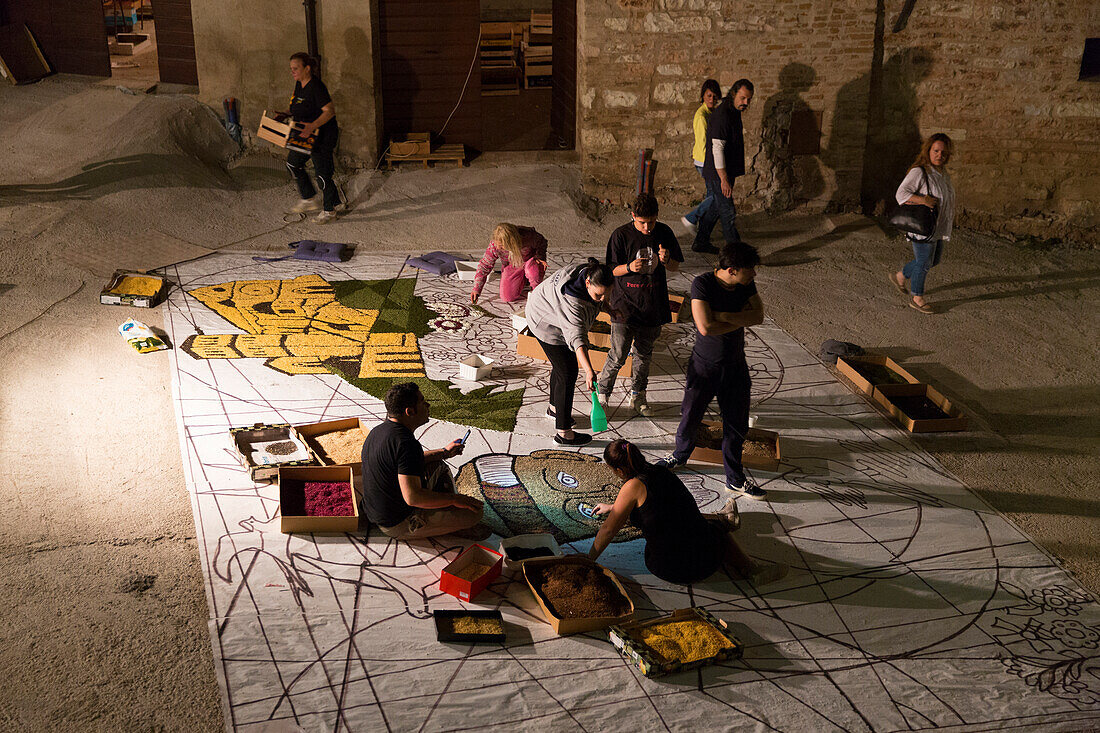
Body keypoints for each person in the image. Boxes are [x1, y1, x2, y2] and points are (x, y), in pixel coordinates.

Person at [588, 439, 787, 585]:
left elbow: (608, 530)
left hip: (671, 567)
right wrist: (614, 507)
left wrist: (588, 560)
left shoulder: (631, 487)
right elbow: (660, 506)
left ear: (619, 470)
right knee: (706, 526)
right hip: (707, 557)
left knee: (691, 529)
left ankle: (733, 541)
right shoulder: (661, 471)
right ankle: (749, 567)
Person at [658, 242, 767, 500]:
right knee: (691, 416)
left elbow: (759, 316)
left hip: (735, 366)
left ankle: (735, 479)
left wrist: (724, 316)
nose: (754, 275)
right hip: (704, 366)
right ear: (731, 269)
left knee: (736, 424)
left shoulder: (744, 284)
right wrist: (738, 317)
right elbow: (705, 327)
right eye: (749, 270)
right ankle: (679, 456)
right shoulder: (703, 284)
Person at [360, 382, 485, 539]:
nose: (428, 405)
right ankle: (431, 526)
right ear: (410, 411)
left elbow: (406, 462)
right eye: (422, 401)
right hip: (396, 523)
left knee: (438, 465)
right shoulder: (407, 444)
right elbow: (413, 497)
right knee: (474, 513)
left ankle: (440, 511)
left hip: (375, 511)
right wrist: (454, 500)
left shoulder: (378, 431)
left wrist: (444, 452)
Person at [597, 193, 683, 417]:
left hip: (652, 305)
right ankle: (602, 397)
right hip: (623, 306)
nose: (647, 227)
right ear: (632, 215)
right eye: (642, 222)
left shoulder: (664, 232)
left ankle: (638, 396)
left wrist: (666, 261)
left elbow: (676, 266)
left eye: (651, 222)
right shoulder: (621, 235)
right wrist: (629, 268)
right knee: (617, 355)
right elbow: (610, 270)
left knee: (644, 355)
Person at [524, 257, 615, 446]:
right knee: (568, 371)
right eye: (599, 295)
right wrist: (589, 371)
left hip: (549, 309)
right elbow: (578, 339)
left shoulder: (589, 271)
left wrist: (606, 305)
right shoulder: (572, 301)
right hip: (544, 322)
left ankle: (554, 409)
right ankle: (564, 433)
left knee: (561, 366)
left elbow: (599, 297)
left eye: (606, 294)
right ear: (588, 283)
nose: (602, 299)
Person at [889, 133, 956, 314]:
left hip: (938, 226)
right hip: (923, 227)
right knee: (924, 262)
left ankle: (900, 276)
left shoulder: (942, 174)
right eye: (936, 151)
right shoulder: (920, 171)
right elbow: (901, 194)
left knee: (933, 261)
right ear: (928, 150)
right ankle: (917, 297)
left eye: (943, 152)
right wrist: (922, 200)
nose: (939, 155)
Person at [693, 79, 754, 254]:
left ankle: (701, 241)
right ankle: (737, 254)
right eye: (743, 98)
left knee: (715, 208)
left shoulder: (734, 111)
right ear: (734, 93)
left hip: (725, 170)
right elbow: (717, 148)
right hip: (717, 173)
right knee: (728, 212)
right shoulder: (722, 115)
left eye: (749, 100)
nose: (745, 103)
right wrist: (724, 179)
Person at [285, 52, 341, 224]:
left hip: (322, 136)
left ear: (307, 68)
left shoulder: (316, 87)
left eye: (296, 68)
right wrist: (285, 114)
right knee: (293, 163)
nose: (293, 72)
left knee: (323, 175)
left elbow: (329, 111)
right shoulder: (299, 84)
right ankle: (309, 198)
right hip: (305, 134)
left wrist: (312, 126)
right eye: (291, 69)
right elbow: (298, 106)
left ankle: (330, 210)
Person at [681, 79, 722, 235]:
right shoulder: (701, 116)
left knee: (712, 195)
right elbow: (703, 142)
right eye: (709, 96)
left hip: (709, 161)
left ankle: (701, 233)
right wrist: (712, 166)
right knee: (717, 195)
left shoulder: (711, 113)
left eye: (714, 96)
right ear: (703, 96)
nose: (712, 99)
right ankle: (691, 218)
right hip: (705, 161)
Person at [470, 223, 548, 304]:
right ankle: (524, 281)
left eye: (502, 246)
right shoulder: (495, 245)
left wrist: (540, 257)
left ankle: (537, 291)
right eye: (498, 245)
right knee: (507, 297)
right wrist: (477, 288)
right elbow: (485, 265)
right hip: (512, 265)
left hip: (529, 261)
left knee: (532, 271)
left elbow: (542, 242)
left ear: (512, 242)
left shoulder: (528, 236)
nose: (499, 247)